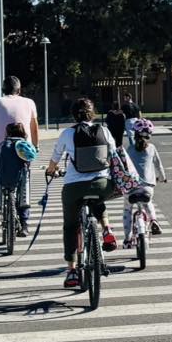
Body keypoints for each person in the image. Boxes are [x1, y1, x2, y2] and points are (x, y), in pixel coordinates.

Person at [47, 97, 119, 289]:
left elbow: (55, 157)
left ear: (73, 115)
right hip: (102, 184)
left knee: (70, 226)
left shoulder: (67, 133)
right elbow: (114, 154)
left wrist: (51, 170)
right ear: (92, 113)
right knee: (98, 201)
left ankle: (72, 270)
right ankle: (107, 229)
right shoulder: (104, 130)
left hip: (74, 187)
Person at [0, 76, 39, 233]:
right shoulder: (29, 103)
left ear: (3, 90)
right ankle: (24, 223)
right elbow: (34, 127)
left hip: (1, 149)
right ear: (19, 90)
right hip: (23, 149)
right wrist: (35, 146)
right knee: (24, 178)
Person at [122, 118, 167, 247]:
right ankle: (154, 220)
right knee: (148, 202)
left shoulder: (129, 149)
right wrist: (162, 178)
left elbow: (125, 167)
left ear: (135, 134)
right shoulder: (152, 148)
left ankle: (127, 238)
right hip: (147, 187)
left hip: (131, 187)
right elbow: (158, 165)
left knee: (127, 210)